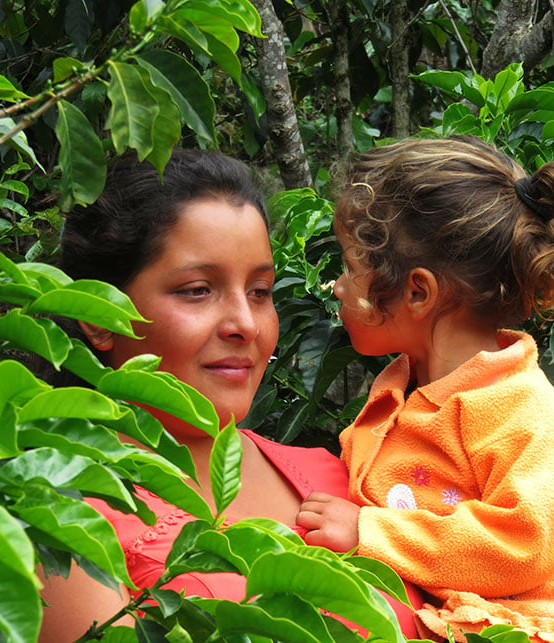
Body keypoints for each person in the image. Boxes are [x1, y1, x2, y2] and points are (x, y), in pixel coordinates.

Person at [38, 149, 422, 641]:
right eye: (198, 290)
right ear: (99, 315)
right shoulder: (62, 515)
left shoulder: (349, 474)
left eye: (260, 291)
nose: (245, 324)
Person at [296, 136, 554, 643]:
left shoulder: (529, 417)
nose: (337, 286)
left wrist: (370, 532)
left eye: (349, 267)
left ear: (417, 292)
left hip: (550, 627)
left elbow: (525, 540)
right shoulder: (403, 389)